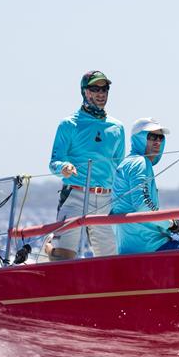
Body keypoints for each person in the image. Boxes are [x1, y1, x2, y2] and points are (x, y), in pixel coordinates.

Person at [48, 70, 125, 260]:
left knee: (110, 261)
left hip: (105, 199)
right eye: (95, 88)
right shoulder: (68, 124)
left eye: (104, 88)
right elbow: (54, 162)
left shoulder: (117, 128)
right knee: (63, 259)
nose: (101, 93)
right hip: (75, 195)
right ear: (85, 92)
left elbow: (118, 166)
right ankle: (48, 247)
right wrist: (63, 167)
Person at [112, 118, 179, 255]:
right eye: (151, 137)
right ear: (139, 138)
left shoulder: (127, 163)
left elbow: (143, 208)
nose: (157, 141)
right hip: (150, 246)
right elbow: (143, 206)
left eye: (160, 137)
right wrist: (173, 224)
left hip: (130, 247)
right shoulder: (140, 162)